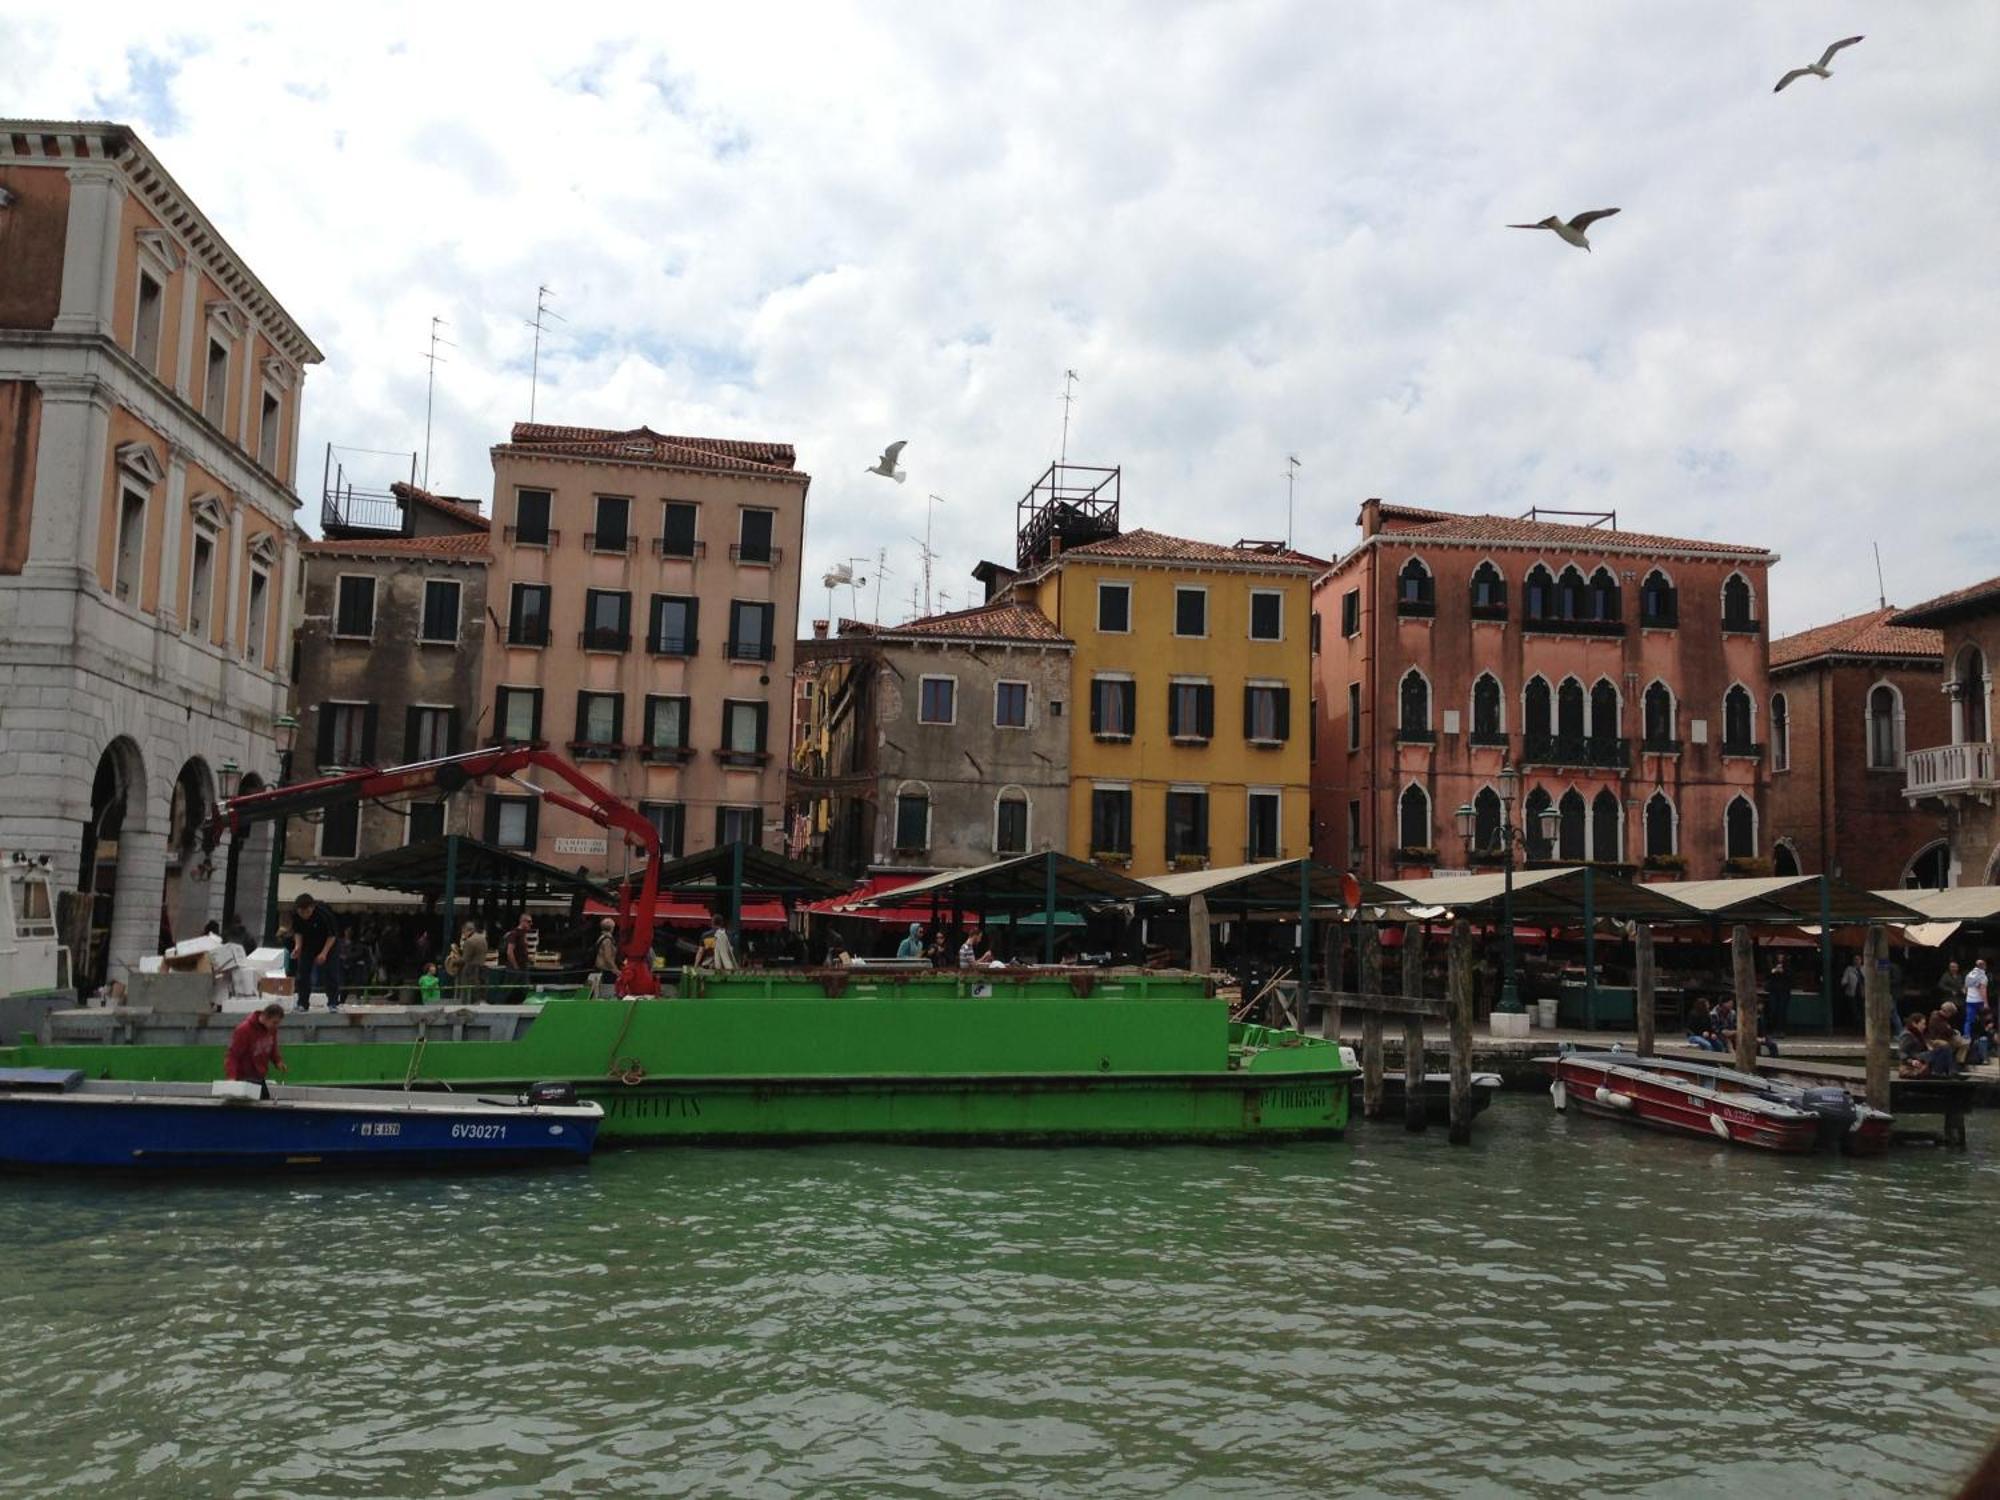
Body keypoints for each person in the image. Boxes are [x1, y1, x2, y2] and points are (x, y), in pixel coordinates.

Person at [290, 893, 341, 1012]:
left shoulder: (324, 914)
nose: (304, 915)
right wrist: (298, 947)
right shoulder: (295, 915)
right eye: (301, 912)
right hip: (309, 944)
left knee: (331, 973)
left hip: (328, 944)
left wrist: (324, 953)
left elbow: (332, 936)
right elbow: (298, 932)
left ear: (312, 907)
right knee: (303, 972)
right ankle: (302, 1003)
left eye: (307, 912)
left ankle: (333, 1002)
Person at [224, 1002, 288, 1086]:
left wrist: (277, 1061)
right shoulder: (244, 1030)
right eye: (274, 1022)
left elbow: (272, 1047)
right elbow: (233, 1055)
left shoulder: (271, 1029)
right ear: (265, 1017)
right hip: (243, 1078)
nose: (276, 1026)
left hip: (259, 1077)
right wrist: (231, 1077)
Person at [500, 914, 535, 1001]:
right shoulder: (514, 934)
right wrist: (515, 966)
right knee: (508, 987)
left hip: (523, 966)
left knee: (524, 987)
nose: (530, 924)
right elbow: (509, 952)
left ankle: (520, 1002)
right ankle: (501, 1003)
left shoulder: (523, 934)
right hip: (514, 967)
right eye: (528, 922)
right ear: (522, 921)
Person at [457, 921, 490, 1004]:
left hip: (471, 970)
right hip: (482, 968)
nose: (463, 934)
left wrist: (454, 961)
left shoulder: (469, 941)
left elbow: (465, 959)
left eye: (463, 932)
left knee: (468, 992)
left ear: (468, 930)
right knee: (480, 991)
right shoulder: (483, 939)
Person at [591, 917, 620, 998]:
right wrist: (616, 969)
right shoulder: (607, 940)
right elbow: (608, 957)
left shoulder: (601, 937)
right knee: (607, 993)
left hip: (600, 968)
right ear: (612, 928)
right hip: (606, 970)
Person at [1963, 958, 1990, 1038]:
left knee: (1969, 1020)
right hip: (1979, 1001)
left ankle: (1967, 1036)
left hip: (1970, 1000)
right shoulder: (1983, 976)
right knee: (1984, 1019)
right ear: (1984, 966)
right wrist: (1985, 1003)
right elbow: (1983, 990)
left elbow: (1965, 989)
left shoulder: (1969, 974)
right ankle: (1984, 1036)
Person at [1766, 957, 1792, 1038]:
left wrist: (1783, 972)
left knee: (1782, 1011)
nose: (1780, 958)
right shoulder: (1770, 965)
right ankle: (1773, 1030)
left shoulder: (1788, 966)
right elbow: (1767, 976)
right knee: (1773, 1010)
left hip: (1784, 991)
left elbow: (1791, 977)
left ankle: (1781, 1030)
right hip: (1774, 991)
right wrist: (1773, 971)